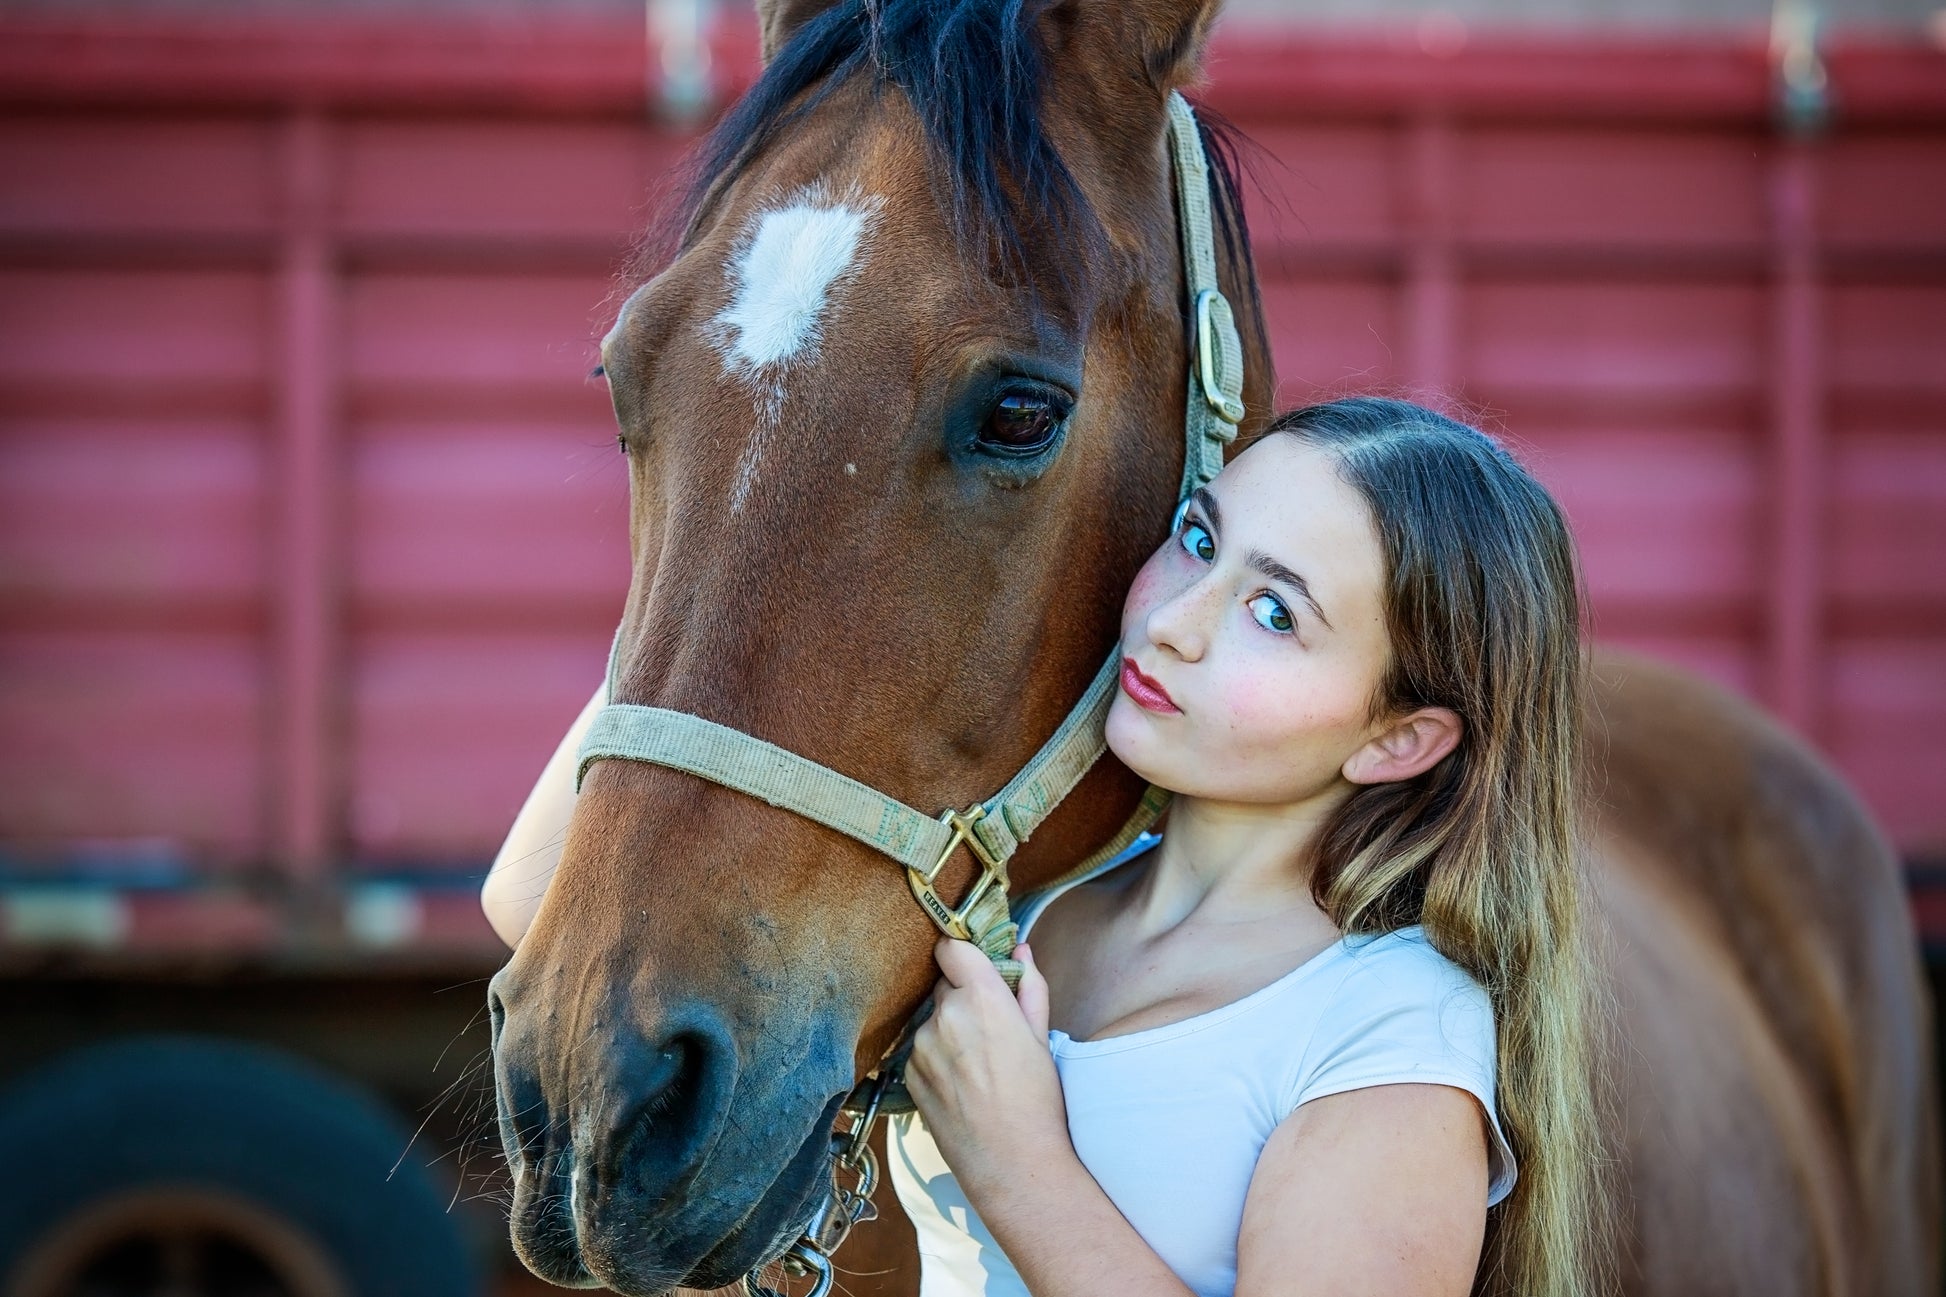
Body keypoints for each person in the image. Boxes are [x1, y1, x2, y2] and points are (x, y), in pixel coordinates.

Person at [482, 396, 1611, 1297]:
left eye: (1273, 614)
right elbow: (534, 901)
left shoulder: (1385, 1026)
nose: (1175, 617)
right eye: (1198, 539)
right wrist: (726, 585)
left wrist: (1018, 1161)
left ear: (1396, 737)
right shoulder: (1018, 900)